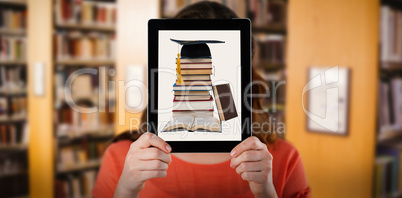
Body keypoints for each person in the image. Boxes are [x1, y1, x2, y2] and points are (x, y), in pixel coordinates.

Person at [92, 2, 311, 198]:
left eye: (204, 67)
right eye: (189, 67)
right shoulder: (122, 160)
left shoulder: (283, 160)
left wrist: (266, 193)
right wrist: (126, 191)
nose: (197, 76)